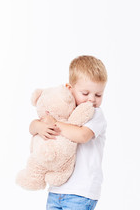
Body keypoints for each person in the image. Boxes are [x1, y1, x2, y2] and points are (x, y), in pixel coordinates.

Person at [29, 55, 108, 210]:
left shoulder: (95, 114)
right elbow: (33, 127)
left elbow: (82, 136)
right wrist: (39, 126)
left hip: (81, 191)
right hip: (57, 189)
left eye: (98, 95)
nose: (92, 99)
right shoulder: (64, 111)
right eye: (85, 93)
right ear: (70, 89)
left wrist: (55, 124)